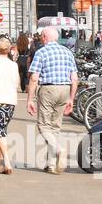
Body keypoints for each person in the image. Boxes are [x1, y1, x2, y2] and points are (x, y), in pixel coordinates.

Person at [26, 25, 78, 174]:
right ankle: (51, 164)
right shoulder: (68, 52)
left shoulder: (41, 52)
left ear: (44, 38)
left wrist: (30, 99)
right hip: (65, 89)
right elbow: (74, 78)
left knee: (43, 125)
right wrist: (71, 99)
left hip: (48, 89)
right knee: (54, 127)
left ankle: (59, 149)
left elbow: (34, 78)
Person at [0, 37, 19, 175]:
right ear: (9, 49)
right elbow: (17, 84)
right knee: (2, 130)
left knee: (0, 132)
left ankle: (6, 162)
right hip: (10, 100)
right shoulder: (13, 65)